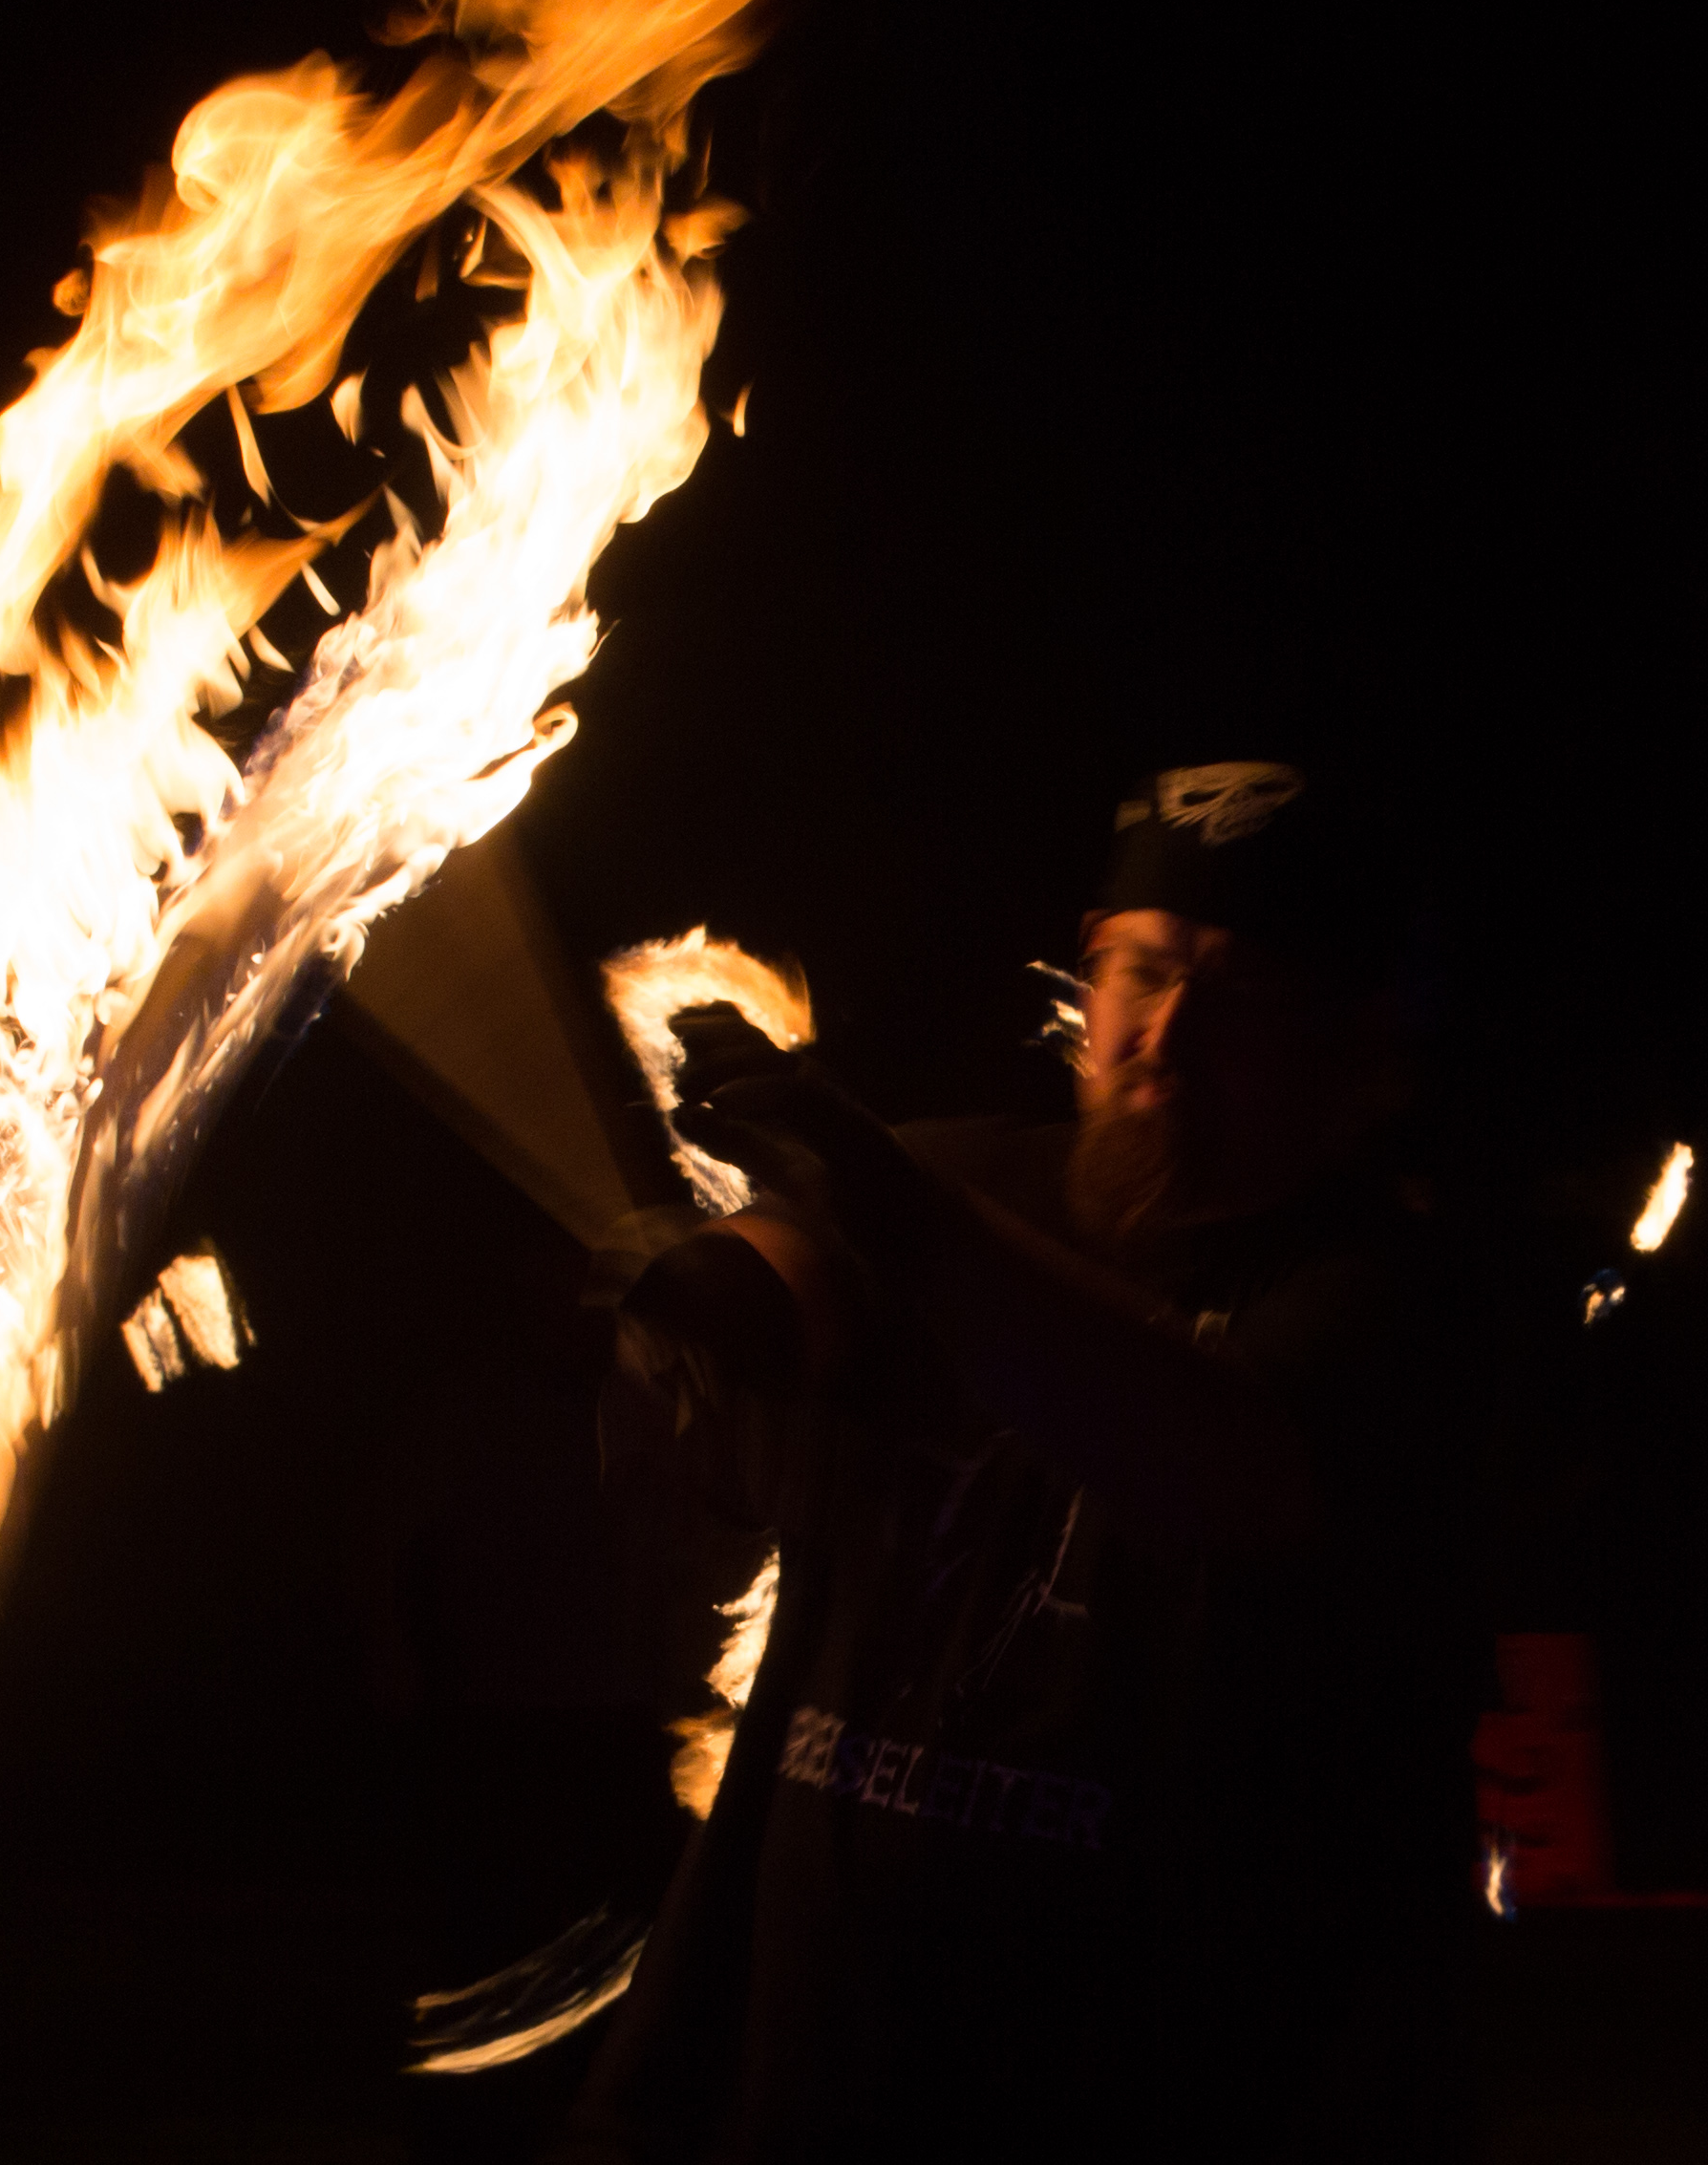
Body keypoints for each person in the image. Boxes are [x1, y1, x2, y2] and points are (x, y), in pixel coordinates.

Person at [569, 761, 1484, 2161]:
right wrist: (688, 1310)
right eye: (1144, 971)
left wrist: (870, 1183)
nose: (1168, 1032)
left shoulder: (1404, 1307)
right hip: (805, 2091)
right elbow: (778, 1281)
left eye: (1240, 993)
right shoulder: (962, 1181)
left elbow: (1210, 1454)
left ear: (1354, 1044)